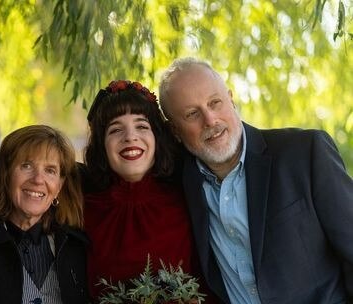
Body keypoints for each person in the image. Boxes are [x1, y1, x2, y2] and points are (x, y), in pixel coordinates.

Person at [158, 57, 353, 303]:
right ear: (174, 130)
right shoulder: (179, 186)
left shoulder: (304, 154)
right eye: (192, 114)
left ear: (231, 99)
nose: (210, 120)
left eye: (215, 102)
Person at [83, 80, 203, 301]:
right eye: (116, 129)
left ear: (157, 138)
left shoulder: (190, 201)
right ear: (102, 145)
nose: (130, 137)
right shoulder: (82, 212)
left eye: (141, 126)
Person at [0, 125, 90, 304]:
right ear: (6, 174)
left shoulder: (77, 246)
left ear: (59, 186)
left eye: (50, 170)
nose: (37, 179)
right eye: (26, 165)